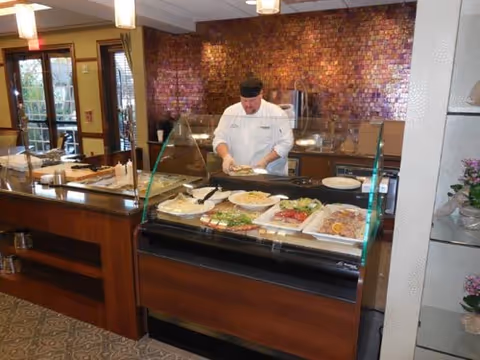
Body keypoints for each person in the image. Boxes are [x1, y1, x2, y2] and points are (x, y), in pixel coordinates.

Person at [212, 77, 294, 176]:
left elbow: (286, 143)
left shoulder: (276, 113)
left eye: (252, 101)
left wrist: (265, 161)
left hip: (270, 177)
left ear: (261, 95)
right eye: (244, 100)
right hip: (238, 176)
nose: (248, 105)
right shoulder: (230, 112)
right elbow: (219, 138)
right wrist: (226, 156)